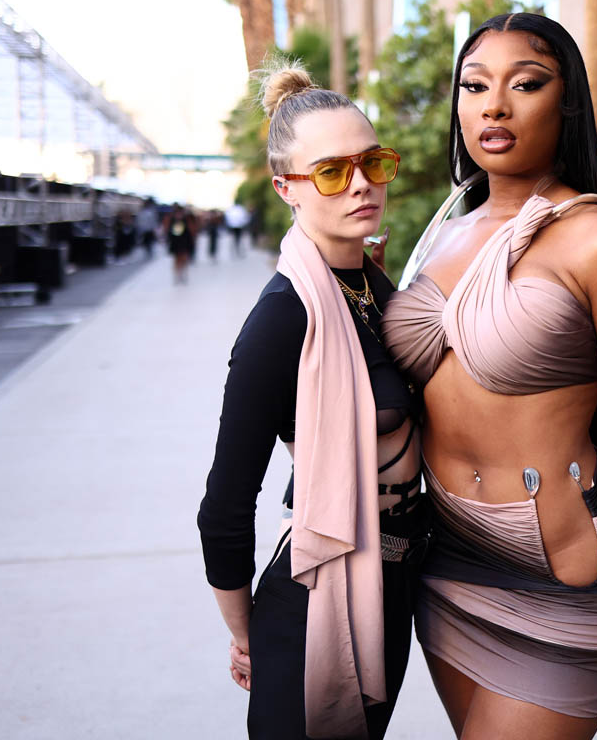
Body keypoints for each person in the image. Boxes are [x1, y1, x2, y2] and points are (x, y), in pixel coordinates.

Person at [380, 13, 597, 739]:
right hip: (447, 561)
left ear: (567, 103)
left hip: (562, 570)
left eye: (525, 84)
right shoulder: (441, 234)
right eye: (474, 86)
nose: (494, 106)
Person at [197, 61, 427, 740]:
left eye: (372, 162)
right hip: (316, 602)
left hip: (391, 589)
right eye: (331, 172)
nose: (360, 184)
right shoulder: (283, 317)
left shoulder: (377, 290)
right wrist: (247, 636)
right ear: (286, 188)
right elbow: (224, 506)